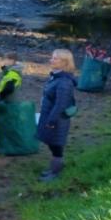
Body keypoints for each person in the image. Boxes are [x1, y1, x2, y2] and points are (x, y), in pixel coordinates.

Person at [37, 49, 77, 182]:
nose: (51, 60)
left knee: (56, 145)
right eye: (52, 57)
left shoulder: (64, 82)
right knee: (51, 143)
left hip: (57, 119)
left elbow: (61, 104)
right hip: (50, 115)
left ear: (65, 63)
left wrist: (51, 121)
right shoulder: (57, 76)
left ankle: (55, 173)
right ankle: (54, 169)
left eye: (55, 58)